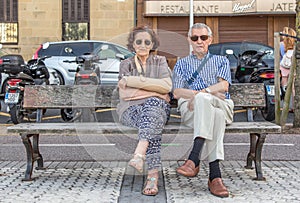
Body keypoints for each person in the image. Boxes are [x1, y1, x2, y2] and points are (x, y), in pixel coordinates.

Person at [172, 23, 234, 198]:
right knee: (217, 116)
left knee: (206, 102)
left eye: (203, 37)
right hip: (194, 111)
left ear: (210, 40)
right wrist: (205, 94)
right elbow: (177, 92)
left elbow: (224, 86)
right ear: (189, 40)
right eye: (195, 38)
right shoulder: (181, 64)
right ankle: (215, 176)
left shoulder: (221, 61)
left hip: (219, 102)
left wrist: (200, 95)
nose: (199, 41)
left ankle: (194, 158)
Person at [116, 25, 172, 196]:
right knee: (154, 110)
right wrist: (156, 91)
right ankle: (152, 176)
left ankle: (139, 154)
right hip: (130, 110)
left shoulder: (160, 61)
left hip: (158, 110)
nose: (142, 45)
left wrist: (132, 82)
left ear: (152, 44)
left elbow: (168, 87)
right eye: (138, 41)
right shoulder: (126, 64)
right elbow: (124, 94)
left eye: (147, 42)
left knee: (153, 109)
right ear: (132, 44)